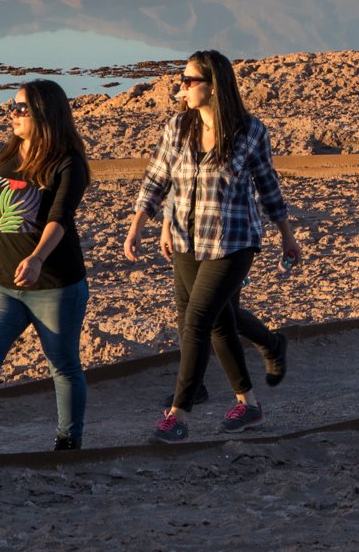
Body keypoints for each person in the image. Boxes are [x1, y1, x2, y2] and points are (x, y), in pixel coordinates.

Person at [125, 49, 300, 441]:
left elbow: (269, 188)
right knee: (220, 324)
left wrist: (287, 235)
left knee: (198, 320)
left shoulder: (250, 132)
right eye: (181, 80)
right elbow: (158, 179)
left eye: (189, 81)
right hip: (187, 240)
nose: (181, 88)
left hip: (233, 242)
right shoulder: (177, 127)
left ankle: (179, 414)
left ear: (213, 86)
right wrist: (142, 224)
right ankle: (250, 405)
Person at [0, 79, 92, 456]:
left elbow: (60, 217)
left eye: (21, 109)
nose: (12, 114)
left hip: (54, 285)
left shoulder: (68, 163)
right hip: (3, 283)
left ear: (44, 114)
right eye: (12, 107)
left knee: (62, 365)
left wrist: (36, 258)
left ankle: (68, 441)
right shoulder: (7, 157)